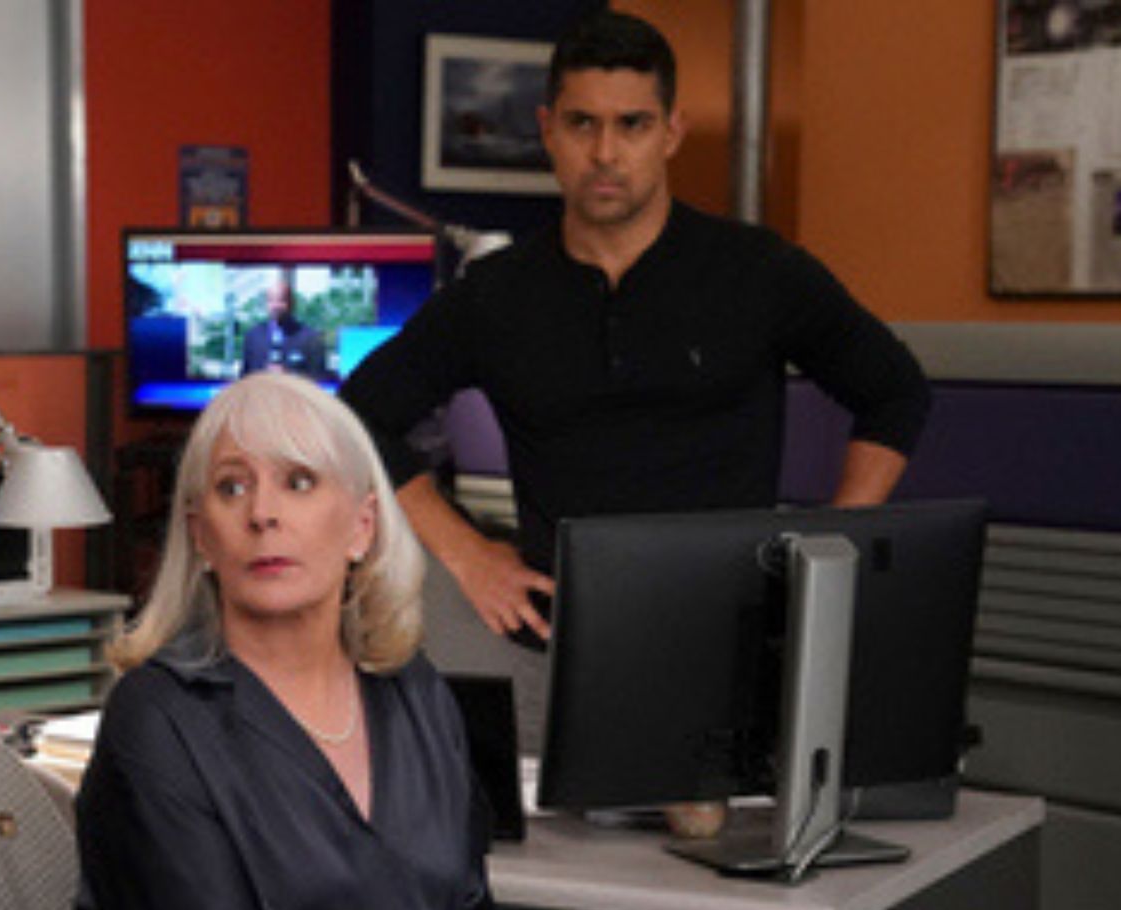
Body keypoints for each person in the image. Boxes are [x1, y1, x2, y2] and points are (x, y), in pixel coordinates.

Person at [340, 11, 931, 647]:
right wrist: (468, 554)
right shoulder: (495, 294)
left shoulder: (757, 270)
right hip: (564, 637)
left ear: (671, 133)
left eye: (633, 124)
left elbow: (895, 390)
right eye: (582, 123)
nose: (605, 153)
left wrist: (833, 548)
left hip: (736, 636)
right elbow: (358, 417)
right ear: (547, 130)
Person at [71, 372, 562, 910]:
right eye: (232, 487)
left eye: (299, 482)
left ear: (362, 526)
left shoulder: (415, 694)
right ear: (201, 535)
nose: (263, 513)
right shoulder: (157, 721)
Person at [240, 273, 327, 377]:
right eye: (271, 300)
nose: (276, 306)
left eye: (281, 300)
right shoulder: (253, 336)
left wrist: (288, 374)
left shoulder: (310, 338)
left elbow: (319, 376)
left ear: (292, 303)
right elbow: (245, 375)